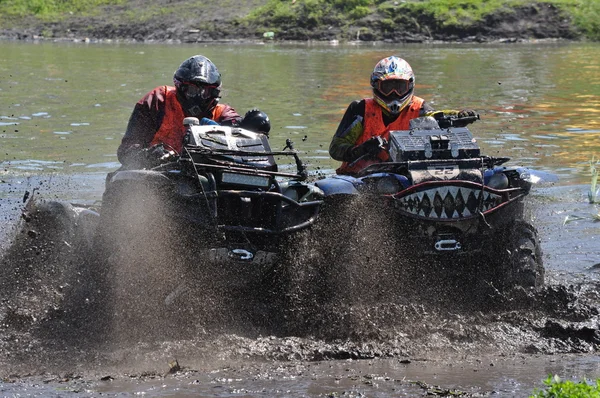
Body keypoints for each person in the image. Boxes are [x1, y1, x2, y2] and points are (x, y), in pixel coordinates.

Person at [329, 56, 477, 175]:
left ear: (410, 86)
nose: (394, 94)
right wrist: (362, 149)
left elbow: (436, 116)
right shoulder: (360, 109)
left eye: (400, 87)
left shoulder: (418, 108)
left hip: (401, 174)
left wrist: (459, 116)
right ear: (376, 86)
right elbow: (336, 148)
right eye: (388, 87)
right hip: (358, 176)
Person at [117, 54, 243, 168]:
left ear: (214, 94)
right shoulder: (158, 100)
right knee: (122, 180)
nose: (198, 97)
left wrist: (254, 124)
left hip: (204, 173)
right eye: (192, 90)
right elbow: (126, 152)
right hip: (157, 170)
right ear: (180, 88)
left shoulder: (223, 113)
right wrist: (149, 156)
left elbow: (242, 133)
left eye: (205, 92)